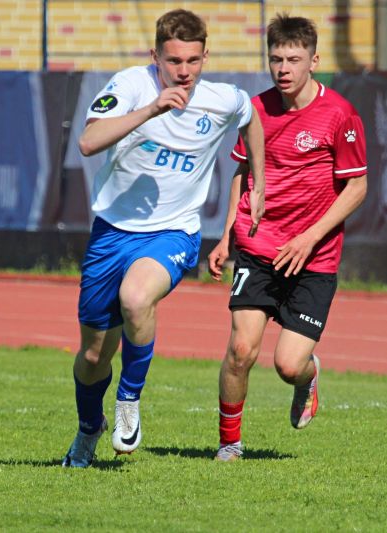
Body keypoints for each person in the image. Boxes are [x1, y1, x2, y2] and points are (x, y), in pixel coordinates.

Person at [62, 9, 266, 468]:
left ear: (205, 56)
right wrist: (152, 108)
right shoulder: (131, 85)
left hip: (174, 233)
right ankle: (88, 428)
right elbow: (89, 142)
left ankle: (129, 399)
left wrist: (261, 181)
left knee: (136, 299)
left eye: (193, 60)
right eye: (174, 60)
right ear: (155, 56)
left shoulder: (221, 98)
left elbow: (250, 117)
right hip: (111, 234)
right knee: (92, 357)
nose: (184, 71)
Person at [207, 13, 367, 461]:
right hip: (258, 247)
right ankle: (229, 445)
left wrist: (309, 238)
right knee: (241, 349)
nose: (283, 68)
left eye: (293, 60)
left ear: (313, 61)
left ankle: (308, 377)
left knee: (287, 364)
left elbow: (357, 187)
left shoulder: (340, 114)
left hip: (313, 258)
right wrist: (226, 236)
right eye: (276, 59)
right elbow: (243, 173)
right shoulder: (255, 111)